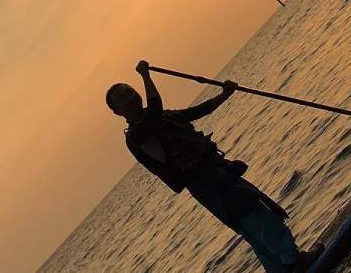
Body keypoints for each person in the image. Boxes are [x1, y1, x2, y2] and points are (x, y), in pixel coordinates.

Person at [107, 61, 322, 272]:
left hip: (215, 173)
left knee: (250, 222)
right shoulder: (137, 134)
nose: (129, 97)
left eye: (129, 91)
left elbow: (197, 111)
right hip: (206, 182)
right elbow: (155, 108)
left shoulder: (163, 116)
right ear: (117, 112)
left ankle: (281, 269)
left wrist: (224, 94)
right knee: (253, 215)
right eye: (122, 99)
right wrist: (145, 75)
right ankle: (295, 263)